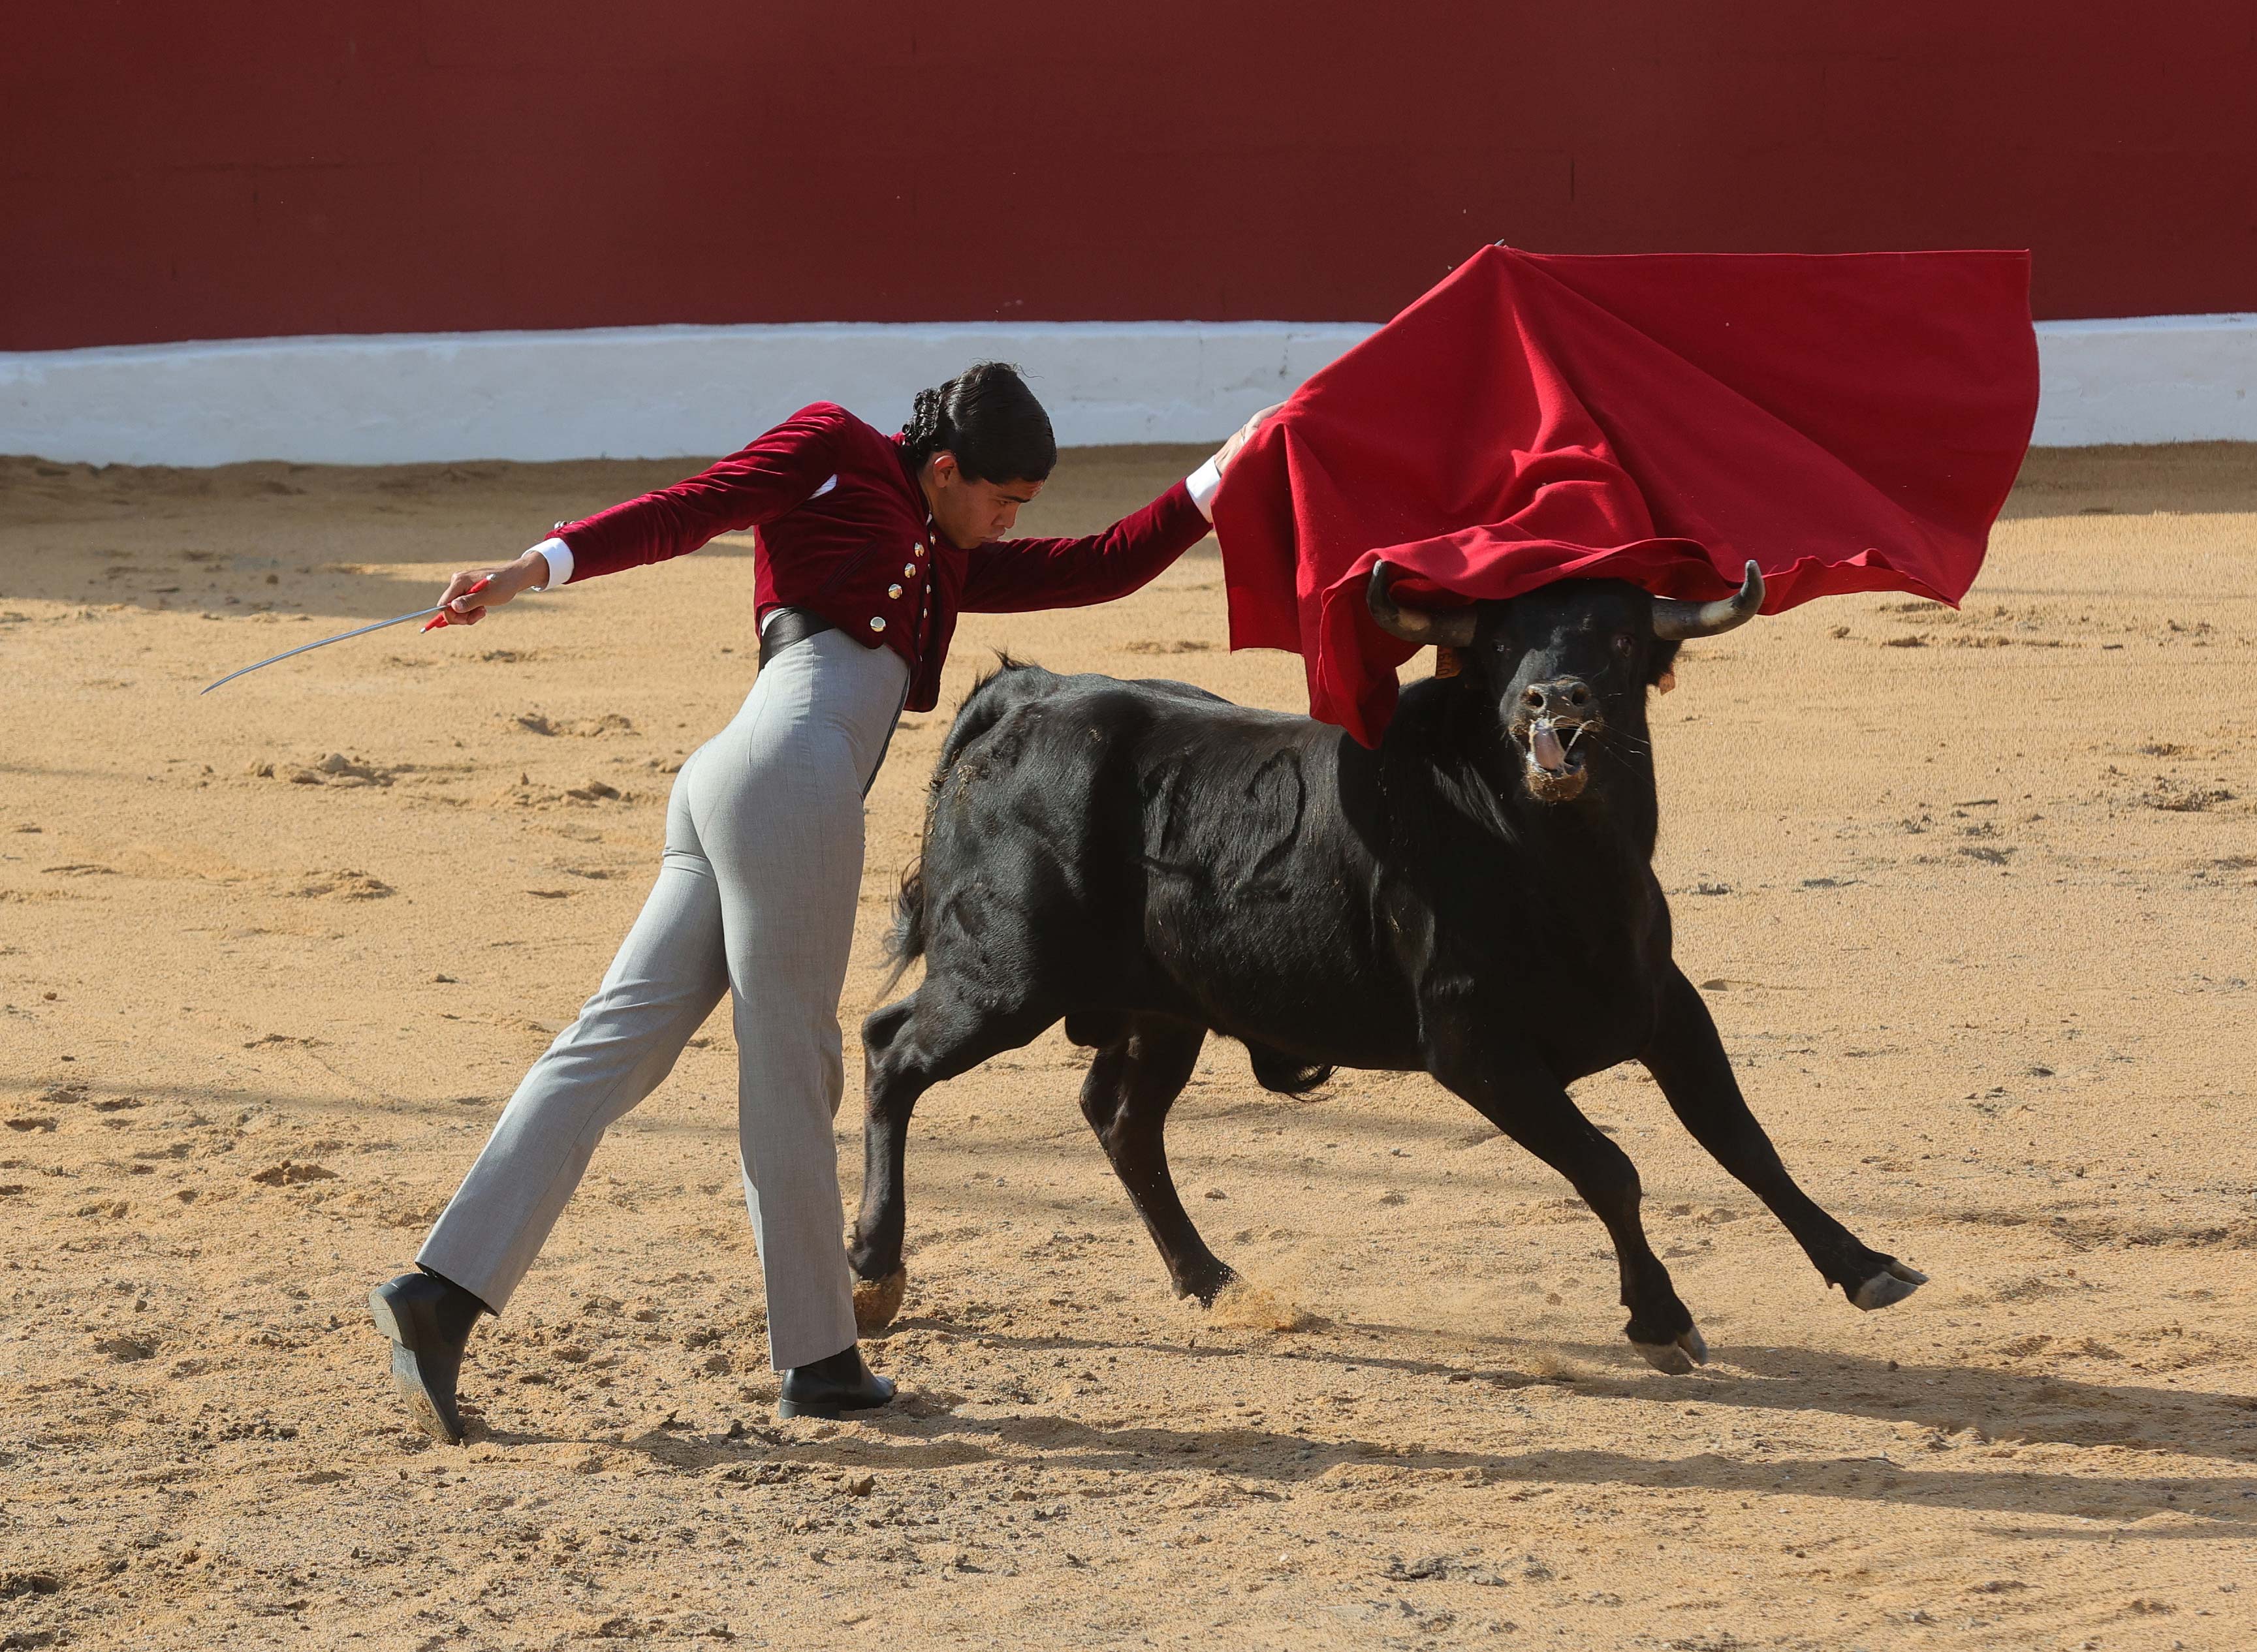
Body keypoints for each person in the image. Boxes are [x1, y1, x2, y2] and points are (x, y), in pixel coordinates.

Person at [368, 364, 1275, 1441]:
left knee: (614, 1044)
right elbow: (691, 507)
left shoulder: (944, 552)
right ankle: (818, 1357)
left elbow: (1102, 567)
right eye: (1000, 499)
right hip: (789, 778)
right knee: (789, 1064)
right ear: (944, 469)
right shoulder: (833, 448)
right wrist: (534, 567)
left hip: (744, 776)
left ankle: (441, 1293)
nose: (1005, 522)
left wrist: (1225, 473)